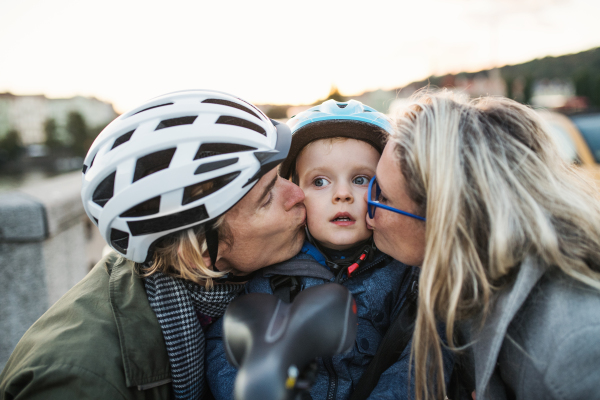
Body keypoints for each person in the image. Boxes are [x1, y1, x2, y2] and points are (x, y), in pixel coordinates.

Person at [0, 90, 306, 400]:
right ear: (200, 248)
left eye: (281, 175)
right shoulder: (78, 381)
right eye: (267, 196)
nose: (298, 194)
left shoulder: (218, 288)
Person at [205, 99, 453, 399]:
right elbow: (228, 348)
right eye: (320, 181)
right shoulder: (271, 269)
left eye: (360, 180)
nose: (343, 194)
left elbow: (419, 360)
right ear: (296, 192)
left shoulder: (405, 271)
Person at [366, 90, 600, 400]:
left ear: (443, 221)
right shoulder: (465, 275)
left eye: (382, 197)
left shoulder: (575, 347)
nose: (367, 212)